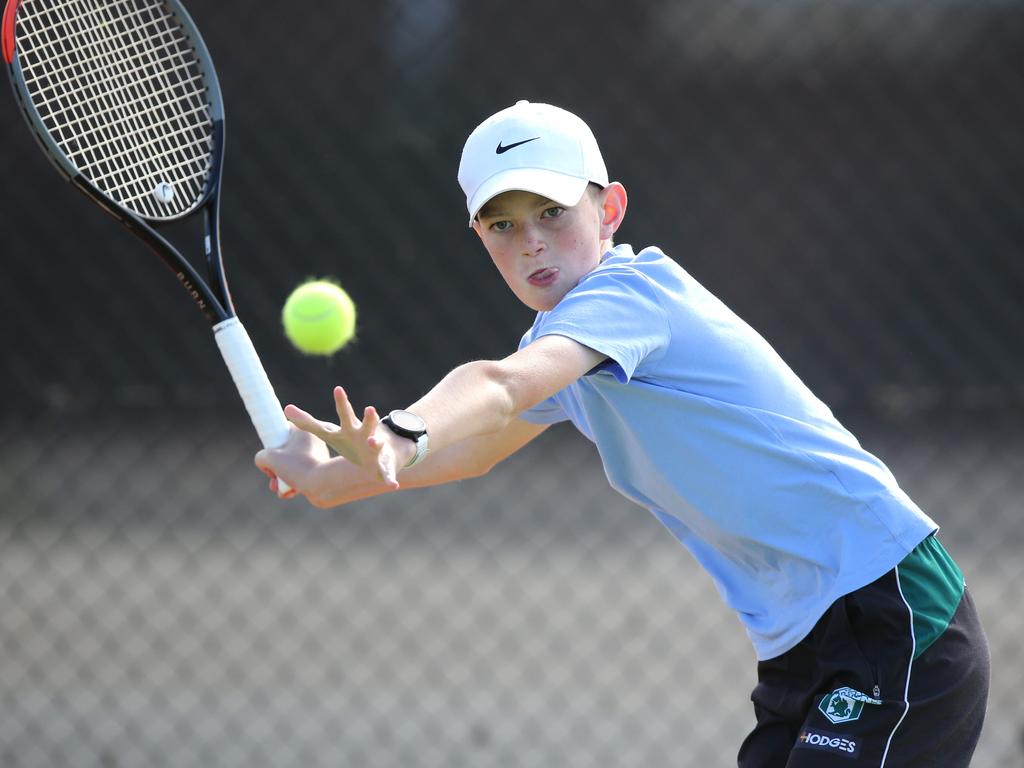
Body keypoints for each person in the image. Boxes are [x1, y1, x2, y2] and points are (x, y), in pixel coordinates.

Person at [256, 100, 990, 766]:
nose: (531, 243)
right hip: (804, 642)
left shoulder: (633, 298)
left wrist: (403, 431)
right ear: (478, 236)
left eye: (551, 212)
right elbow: (475, 447)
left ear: (610, 210)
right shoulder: (565, 341)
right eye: (504, 224)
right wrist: (329, 477)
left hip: (893, 610)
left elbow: (500, 387)